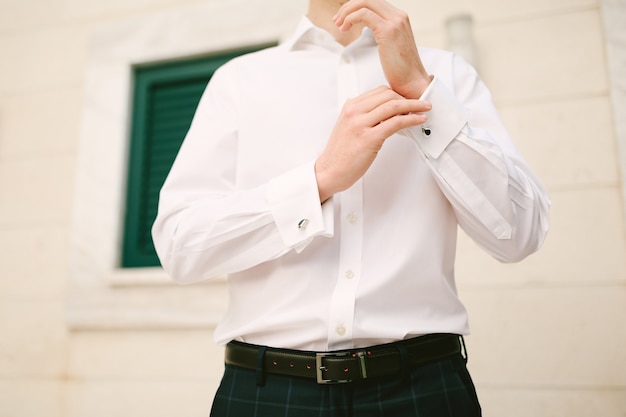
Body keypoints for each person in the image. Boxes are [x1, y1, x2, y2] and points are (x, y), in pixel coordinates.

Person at [152, 0, 550, 415]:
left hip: (424, 389)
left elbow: (518, 234)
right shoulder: (238, 81)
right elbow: (181, 248)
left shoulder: (447, 74)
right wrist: (320, 180)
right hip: (267, 393)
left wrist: (422, 91)